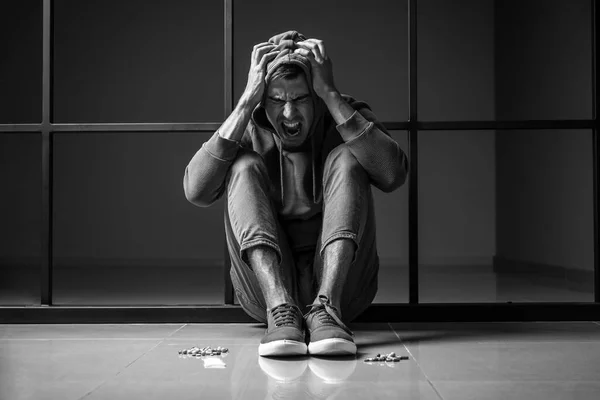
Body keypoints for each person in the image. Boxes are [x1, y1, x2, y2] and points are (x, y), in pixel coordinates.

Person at [184, 30, 408, 357]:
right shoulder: (248, 125)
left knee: (348, 156)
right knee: (242, 165)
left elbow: (393, 175)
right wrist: (247, 100)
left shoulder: (342, 114)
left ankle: (326, 308)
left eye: (300, 99)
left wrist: (331, 94)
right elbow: (196, 190)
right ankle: (282, 310)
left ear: (315, 96)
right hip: (264, 294)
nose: (289, 114)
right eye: (276, 101)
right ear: (264, 100)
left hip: (346, 291)